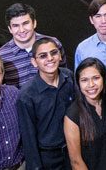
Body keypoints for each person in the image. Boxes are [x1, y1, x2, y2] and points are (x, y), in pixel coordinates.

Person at [16, 38, 76, 169]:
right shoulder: (26, 96)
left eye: (53, 53)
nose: (50, 58)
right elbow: (28, 138)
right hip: (48, 158)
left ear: (60, 55)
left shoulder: (69, 77)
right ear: (34, 62)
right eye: (43, 56)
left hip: (73, 151)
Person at [0, 3, 65, 88]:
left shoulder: (53, 44)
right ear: (10, 29)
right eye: (16, 26)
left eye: (25, 23)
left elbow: (64, 75)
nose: (21, 30)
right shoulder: (1, 56)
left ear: (34, 23)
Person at [65, 57, 106, 170]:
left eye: (96, 78)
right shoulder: (72, 115)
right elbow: (76, 161)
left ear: (104, 79)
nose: (91, 84)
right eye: (84, 80)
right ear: (78, 83)